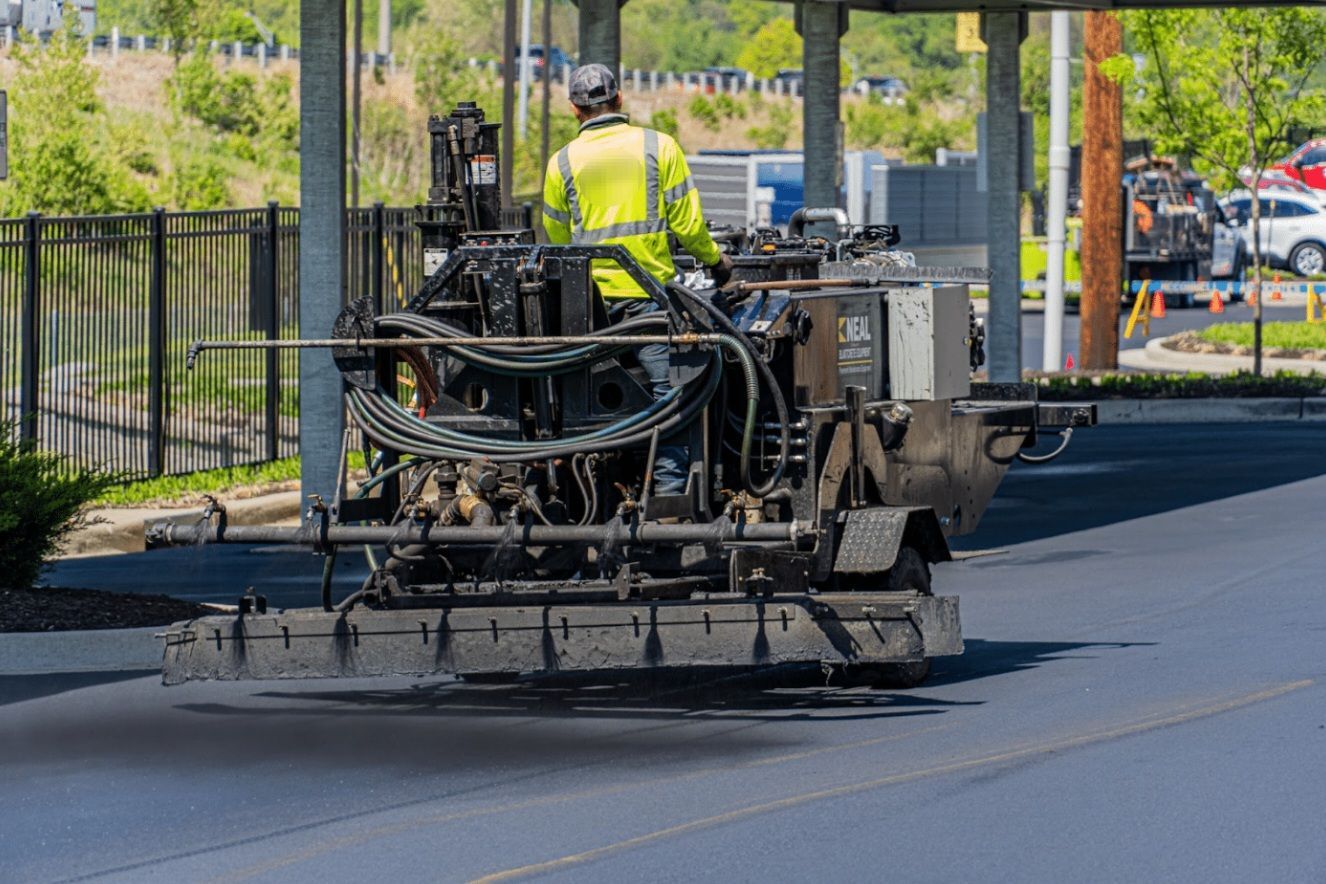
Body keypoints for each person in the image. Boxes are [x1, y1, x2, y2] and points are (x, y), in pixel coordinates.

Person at [543, 63, 733, 496]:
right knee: (671, 397)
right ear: (620, 99)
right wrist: (716, 262)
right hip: (649, 304)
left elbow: (557, 236)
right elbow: (688, 224)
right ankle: (668, 495)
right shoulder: (659, 147)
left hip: (589, 311)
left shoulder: (562, 164)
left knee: (583, 404)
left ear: (575, 110)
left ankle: (589, 493)